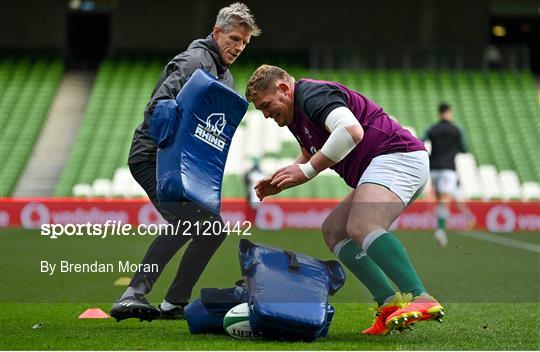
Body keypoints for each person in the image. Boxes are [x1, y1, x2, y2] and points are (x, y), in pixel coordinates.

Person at [245, 65, 444, 335]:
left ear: (283, 89)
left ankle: (421, 297)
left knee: (363, 225)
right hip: (382, 164)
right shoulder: (295, 116)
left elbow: (350, 131)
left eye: (266, 106)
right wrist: (283, 179)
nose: (267, 115)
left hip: (398, 156)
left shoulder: (312, 94)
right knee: (334, 231)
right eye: (261, 111)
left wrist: (305, 171)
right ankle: (389, 305)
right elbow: (309, 150)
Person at [110, 3, 260, 322]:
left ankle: (174, 301)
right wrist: (177, 150)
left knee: (211, 228)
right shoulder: (194, 61)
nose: (238, 47)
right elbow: (158, 109)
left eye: (244, 43)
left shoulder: (226, 76)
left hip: (184, 165)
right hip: (153, 155)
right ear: (216, 32)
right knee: (192, 222)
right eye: (234, 38)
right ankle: (133, 293)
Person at [423, 103, 468, 247]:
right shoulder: (456, 129)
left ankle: (440, 227)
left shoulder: (432, 129)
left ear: (439, 112)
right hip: (448, 169)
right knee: (445, 201)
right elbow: (464, 148)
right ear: (449, 112)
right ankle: (441, 230)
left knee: (439, 200)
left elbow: (421, 141)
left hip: (434, 169)